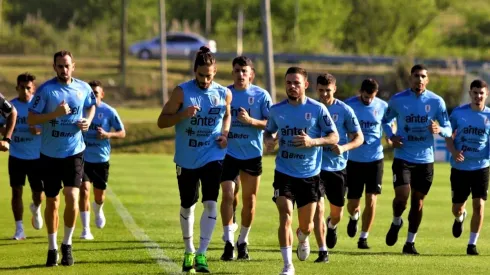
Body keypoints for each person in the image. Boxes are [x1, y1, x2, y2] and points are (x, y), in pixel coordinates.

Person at [157, 46, 232, 273]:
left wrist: (225, 134)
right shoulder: (181, 92)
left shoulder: (223, 93)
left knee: (210, 202)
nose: (206, 80)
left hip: (213, 155)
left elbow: (227, 114)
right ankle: (189, 250)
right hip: (186, 157)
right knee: (188, 205)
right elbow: (162, 121)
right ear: (194, 71)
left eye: (210, 75)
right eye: (201, 75)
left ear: (216, 71)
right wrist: (182, 115)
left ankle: (201, 253)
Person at [264, 67, 339, 275]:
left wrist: (312, 141)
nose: (292, 87)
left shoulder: (317, 109)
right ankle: (288, 266)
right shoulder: (277, 110)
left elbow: (334, 137)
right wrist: (268, 141)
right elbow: (268, 131)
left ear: (305, 85)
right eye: (288, 83)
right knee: (285, 214)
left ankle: (303, 237)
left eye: (296, 83)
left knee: (307, 226)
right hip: (284, 172)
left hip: (309, 176)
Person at [27, 50, 96, 266]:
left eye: (67, 66)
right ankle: (52, 247)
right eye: (59, 66)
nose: (64, 70)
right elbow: (31, 118)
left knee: (72, 197)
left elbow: (92, 104)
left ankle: (67, 245)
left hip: (74, 151)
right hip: (49, 154)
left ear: (73, 66)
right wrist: (55, 114)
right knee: (52, 201)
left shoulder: (83, 88)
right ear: (54, 67)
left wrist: (88, 120)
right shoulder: (46, 90)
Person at [381, 64, 452, 254]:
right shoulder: (398, 100)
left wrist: (440, 130)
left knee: (418, 202)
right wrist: (391, 135)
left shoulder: (437, 101)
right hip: (403, 155)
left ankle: (409, 243)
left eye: (423, 76)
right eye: (416, 76)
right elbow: (385, 120)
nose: (419, 80)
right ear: (410, 79)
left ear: (427, 80)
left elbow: (448, 128)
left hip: (426, 159)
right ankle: (397, 221)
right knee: (402, 197)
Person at [219, 56, 272, 261]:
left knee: (249, 201)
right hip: (228, 153)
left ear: (251, 73)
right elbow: (218, 118)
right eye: (237, 70)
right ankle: (228, 242)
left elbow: (271, 123)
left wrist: (250, 121)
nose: (241, 74)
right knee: (228, 194)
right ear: (232, 73)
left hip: (251, 154)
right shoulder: (225, 93)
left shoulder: (261, 95)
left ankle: (243, 241)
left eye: (244, 70)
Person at [312, 74, 364, 262]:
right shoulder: (310, 108)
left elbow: (359, 138)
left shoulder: (345, 110)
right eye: (321, 90)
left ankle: (332, 226)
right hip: (314, 167)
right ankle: (322, 250)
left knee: (337, 214)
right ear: (316, 89)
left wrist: (343, 147)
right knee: (318, 208)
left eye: (328, 90)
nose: (324, 94)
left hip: (337, 167)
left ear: (334, 89)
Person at [344, 78, 393, 249]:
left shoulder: (382, 106)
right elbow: (341, 125)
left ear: (376, 94)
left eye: (371, 97)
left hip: (375, 159)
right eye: (365, 97)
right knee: (352, 204)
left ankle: (363, 237)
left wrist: (390, 135)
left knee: (371, 199)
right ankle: (353, 217)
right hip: (353, 160)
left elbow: (387, 123)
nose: (368, 100)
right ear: (360, 92)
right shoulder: (349, 105)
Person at [445, 79, 490, 255]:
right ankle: (460, 217)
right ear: (470, 93)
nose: (478, 96)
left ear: (486, 95)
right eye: (475, 93)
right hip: (460, 167)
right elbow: (448, 135)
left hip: (481, 167)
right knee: (457, 207)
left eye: (481, 93)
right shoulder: (458, 113)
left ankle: (472, 244)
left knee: (479, 204)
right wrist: (454, 151)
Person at [78, 80, 126, 240]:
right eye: (90, 94)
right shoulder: (80, 110)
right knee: (84, 191)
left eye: (96, 93)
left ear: (102, 94)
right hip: (82, 157)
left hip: (101, 159)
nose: (93, 96)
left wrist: (107, 135)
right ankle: (85, 230)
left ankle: (98, 209)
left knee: (99, 196)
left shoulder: (109, 111)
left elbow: (122, 132)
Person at [0, 73, 44, 241]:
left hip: (37, 156)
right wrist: (6, 132)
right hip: (17, 155)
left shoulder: (39, 106)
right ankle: (19, 229)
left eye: (28, 88)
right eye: (22, 87)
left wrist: (38, 129)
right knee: (16, 191)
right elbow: (1, 126)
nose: (25, 91)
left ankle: (36, 208)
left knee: (38, 193)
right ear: (17, 88)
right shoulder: (10, 106)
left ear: (33, 89)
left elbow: (48, 124)